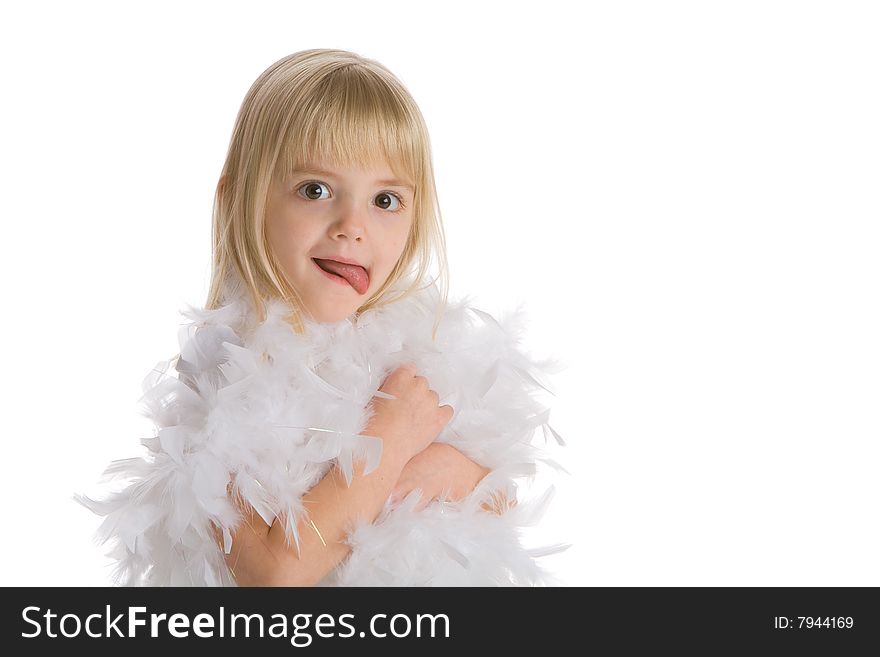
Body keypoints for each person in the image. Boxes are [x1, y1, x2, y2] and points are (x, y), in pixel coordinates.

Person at [75, 48, 568, 586]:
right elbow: (273, 576)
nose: (352, 226)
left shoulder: (413, 360)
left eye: (385, 200)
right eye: (316, 190)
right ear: (241, 198)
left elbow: (499, 513)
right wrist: (391, 442)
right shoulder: (226, 387)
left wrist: (455, 471)